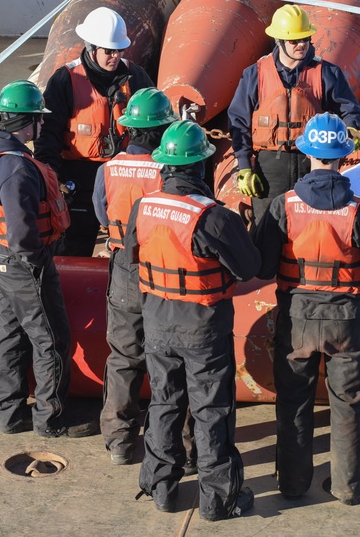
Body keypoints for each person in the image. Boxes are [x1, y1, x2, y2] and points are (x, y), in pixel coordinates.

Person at [253, 113, 360, 505]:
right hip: (347, 320)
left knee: (294, 401)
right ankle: (350, 485)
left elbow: (263, 265)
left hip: (297, 318)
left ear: (308, 155)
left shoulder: (284, 206)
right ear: (343, 157)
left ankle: (293, 484)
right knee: (349, 403)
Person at [124, 120, 260, 521]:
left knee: (165, 403)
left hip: (157, 323)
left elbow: (132, 253)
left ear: (166, 165)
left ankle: (161, 487)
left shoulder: (143, 206)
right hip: (202, 326)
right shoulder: (213, 216)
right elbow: (248, 266)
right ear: (202, 166)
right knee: (211, 410)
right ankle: (218, 500)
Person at [0, 80, 96, 438]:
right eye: (38, 120)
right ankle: (50, 419)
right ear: (28, 123)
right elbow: (23, 232)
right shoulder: (17, 168)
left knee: (8, 334)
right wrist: (40, 261)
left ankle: (10, 415)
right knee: (50, 339)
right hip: (23, 264)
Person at [92, 88, 187, 465]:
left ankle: (118, 441)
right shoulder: (170, 170)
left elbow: (102, 215)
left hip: (123, 271)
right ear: (164, 128)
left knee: (123, 356)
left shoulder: (109, 168)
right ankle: (174, 443)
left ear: (129, 128)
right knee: (169, 358)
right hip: (162, 271)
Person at [227, 4, 360, 222]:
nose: (302, 44)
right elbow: (238, 122)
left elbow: (349, 108)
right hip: (269, 166)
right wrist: (244, 167)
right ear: (279, 41)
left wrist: (352, 127)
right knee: (267, 228)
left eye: (306, 38)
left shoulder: (327, 73)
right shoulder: (255, 74)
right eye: (294, 40)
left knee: (311, 224)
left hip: (312, 163)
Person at [36, 7, 155, 256]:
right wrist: (52, 178)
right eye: (109, 51)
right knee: (75, 247)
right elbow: (48, 134)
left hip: (123, 176)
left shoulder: (135, 76)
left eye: (119, 50)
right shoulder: (65, 80)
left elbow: (155, 126)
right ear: (91, 48)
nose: (115, 56)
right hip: (79, 178)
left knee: (130, 248)